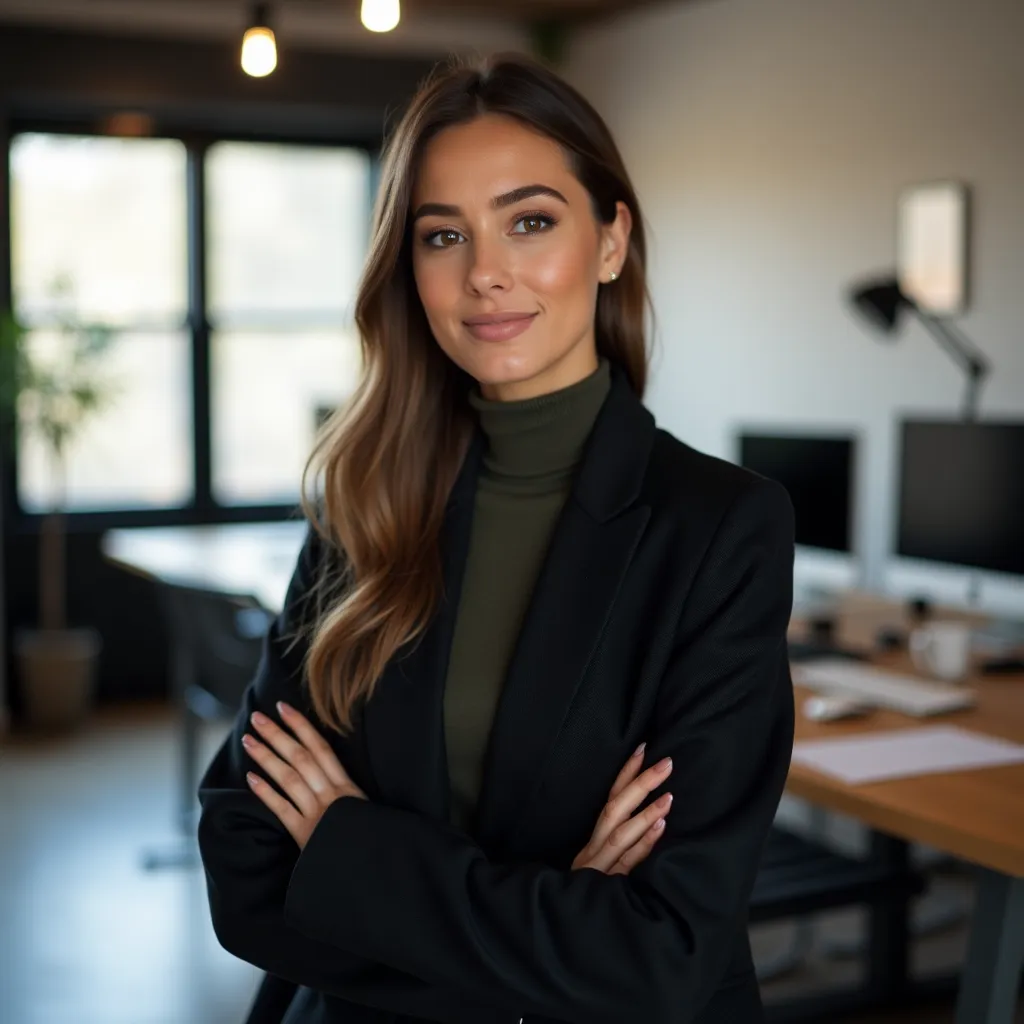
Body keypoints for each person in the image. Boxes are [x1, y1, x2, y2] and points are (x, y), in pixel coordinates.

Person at [197, 51, 795, 1024]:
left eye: (530, 221)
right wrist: (557, 915)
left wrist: (349, 855)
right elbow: (245, 872)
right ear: (410, 268)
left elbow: (660, 953)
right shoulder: (364, 506)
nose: (484, 273)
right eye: (444, 235)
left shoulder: (721, 527)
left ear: (610, 240)